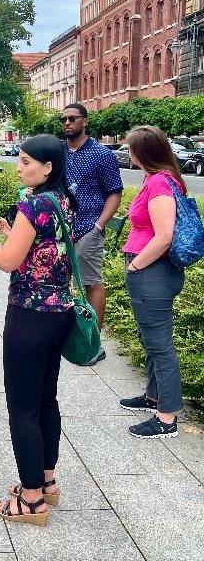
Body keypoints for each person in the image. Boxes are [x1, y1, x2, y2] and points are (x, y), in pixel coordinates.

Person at [0, 135, 77, 526]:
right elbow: (44, 253)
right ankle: (47, 481)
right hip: (59, 312)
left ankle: (30, 501)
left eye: (26, 161)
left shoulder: (34, 202)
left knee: (22, 408)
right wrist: (16, 232)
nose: (19, 167)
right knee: (46, 400)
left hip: (29, 315)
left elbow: (9, 261)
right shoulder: (63, 200)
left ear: (47, 167)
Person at [119, 126, 186, 439]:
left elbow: (164, 237)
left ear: (143, 152)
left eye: (131, 148)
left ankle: (166, 418)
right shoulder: (155, 178)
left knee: (160, 346)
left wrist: (135, 264)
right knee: (151, 341)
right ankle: (153, 397)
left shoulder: (160, 182)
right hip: (150, 271)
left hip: (152, 272)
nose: (128, 153)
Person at [62, 102, 122, 364]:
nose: (67, 123)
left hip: (88, 227)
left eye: (72, 118)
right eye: (63, 119)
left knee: (90, 283)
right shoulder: (58, 152)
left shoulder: (101, 154)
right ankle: (67, 335)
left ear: (85, 121)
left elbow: (114, 193)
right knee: (59, 283)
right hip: (60, 228)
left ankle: (93, 342)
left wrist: (99, 226)